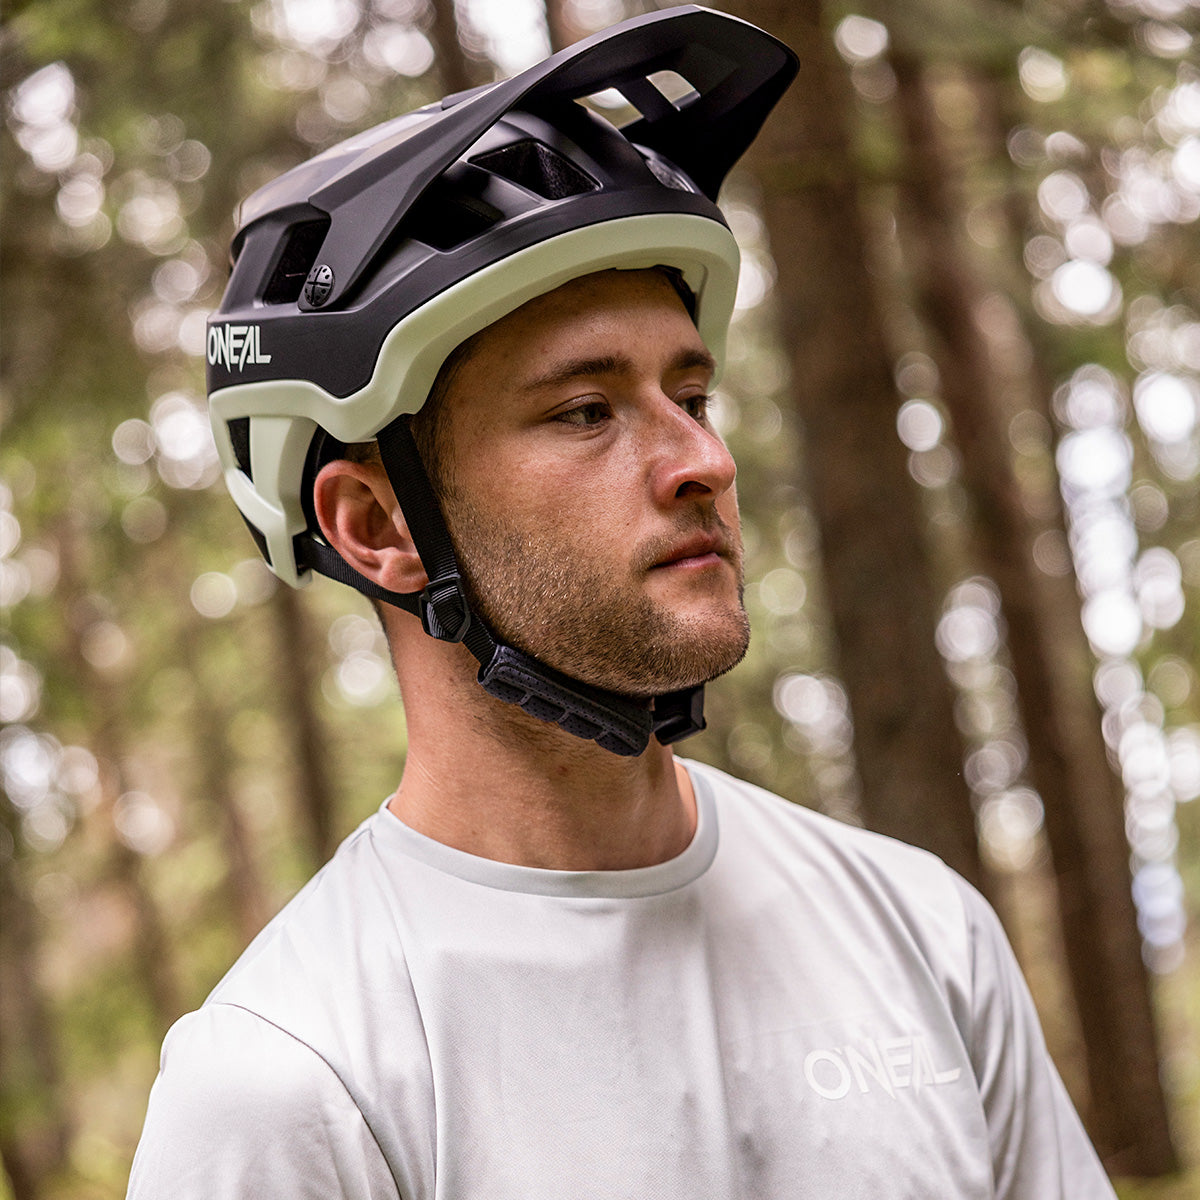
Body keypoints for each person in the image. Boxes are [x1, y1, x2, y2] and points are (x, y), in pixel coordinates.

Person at [128, 7, 1117, 1198]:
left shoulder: (924, 934)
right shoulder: (293, 1080)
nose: (704, 461)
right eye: (586, 411)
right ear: (378, 529)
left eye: (690, 396)